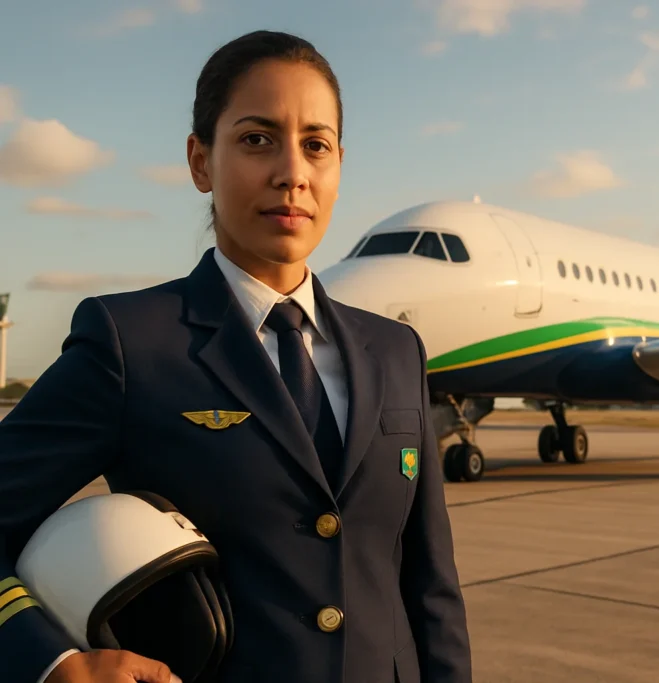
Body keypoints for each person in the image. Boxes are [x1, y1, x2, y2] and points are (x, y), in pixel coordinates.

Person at [0, 29, 472, 683]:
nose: (292, 173)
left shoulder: (395, 350)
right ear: (200, 161)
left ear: (339, 165)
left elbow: (430, 587)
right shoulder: (132, 342)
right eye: (257, 139)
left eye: (316, 145)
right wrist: (51, 661)